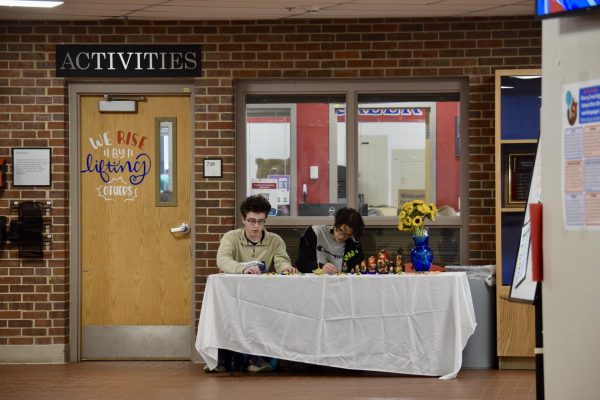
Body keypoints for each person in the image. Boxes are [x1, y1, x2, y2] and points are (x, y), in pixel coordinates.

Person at [208, 194, 297, 374]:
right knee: (223, 312)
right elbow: (222, 260)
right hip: (233, 296)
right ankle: (223, 358)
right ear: (243, 219)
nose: (256, 226)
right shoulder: (230, 237)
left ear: (265, 221)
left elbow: (280, 261)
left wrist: (286, 268)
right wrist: (242, 269)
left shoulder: (275, 240)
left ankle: (256, 358)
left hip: (261, 297)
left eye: (260, 221)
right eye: (251, 221)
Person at [296, 207, 365, 274]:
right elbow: (301, 264)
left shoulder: (354, 243)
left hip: (343, 283)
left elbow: (358, 268)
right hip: (316, 281)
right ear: (335, 223)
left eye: (347, 234)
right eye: (340, 230)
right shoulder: (314, 233)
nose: (341, 236)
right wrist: (321, 267)